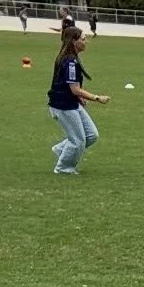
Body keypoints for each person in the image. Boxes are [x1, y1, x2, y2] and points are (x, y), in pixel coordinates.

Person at [47, 27, 107, 177]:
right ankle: (63, 168)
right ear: (74, 41)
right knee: (78, 140)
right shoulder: (70, 62)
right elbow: (75, 89)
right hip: (63, 106)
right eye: (83, 39)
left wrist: (79, 98)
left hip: (71, 103)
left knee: (91, 135)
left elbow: (69, 86)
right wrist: (97, 98)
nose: (86, 42)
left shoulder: (70, 58)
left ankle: (61, 150)